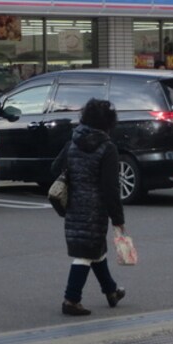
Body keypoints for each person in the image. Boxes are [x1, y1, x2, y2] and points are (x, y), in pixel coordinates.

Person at [51, 98, 126, 316]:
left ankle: (111, 290)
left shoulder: (73, 141)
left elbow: (54, 167)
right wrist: (118, 218)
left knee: (93, 249)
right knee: (85, 254)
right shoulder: (107, 148)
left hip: (74, 206)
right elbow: (111, 188)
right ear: (108, 123)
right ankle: (71, 299)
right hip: (95, 209)